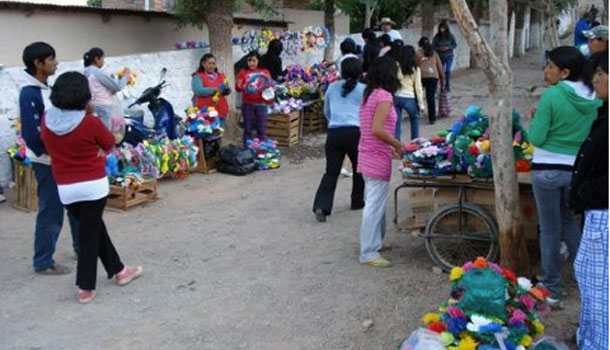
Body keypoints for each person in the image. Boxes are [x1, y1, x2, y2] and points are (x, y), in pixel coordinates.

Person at [41, 71, 143, 304]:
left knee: (93, 227)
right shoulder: (90, 122)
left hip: (66, 187)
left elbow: (47, 144)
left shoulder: (47, 119)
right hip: (92, 186)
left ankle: (119, 270)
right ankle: (86, 285)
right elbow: (109, 142)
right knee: (89, 233)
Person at [528, 46, 602, 308]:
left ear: (565, 71)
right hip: (577, 171)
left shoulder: (553, 96)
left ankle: (552, 289)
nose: (546, 71)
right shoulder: (596, 98)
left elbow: (535, 138)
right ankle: (590, 280)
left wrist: (537, 120)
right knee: (571, 225)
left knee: (549, 230)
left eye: (550, 66)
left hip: (546, 170)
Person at [19, 42, 78, 275]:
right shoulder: (29, 93)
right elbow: (32, 135)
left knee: (75, 206)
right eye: (52, 59)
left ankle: (81, 248)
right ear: (38, 63)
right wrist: (56, 153)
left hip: (61, 160)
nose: (56, 63)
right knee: (51, 211)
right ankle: (43, 261)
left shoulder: (46, 89)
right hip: (47, 162)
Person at [570, 50, 608, 350]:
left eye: (603, 73)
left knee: (602, 291)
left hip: (604, 214)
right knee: (590, 283)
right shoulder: (604, 112)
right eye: (594, 73)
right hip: (596, 212)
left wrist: (587, 192)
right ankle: (590, 339)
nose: (596, 79)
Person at [358, 56, 403, 268]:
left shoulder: (370, 94)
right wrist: (397, 144)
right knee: (374, 204)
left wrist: (391, 147)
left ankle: (375, 242)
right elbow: (377, 129)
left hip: (370, 153)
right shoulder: (384, 96)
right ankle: (368, 252)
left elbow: (371, 128)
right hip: (375, 155)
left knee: (376, 202)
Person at [312, 58, 365, 222]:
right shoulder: (364, 89)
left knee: (331, 172)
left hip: (334, 132)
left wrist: (335, 121)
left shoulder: (332, 87)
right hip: (355, 132)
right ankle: (357, 201)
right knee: (359, 169)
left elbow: (327, 110)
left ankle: (322, 206)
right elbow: (366, 113)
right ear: (359, 71)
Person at [83, 47, 129, 130]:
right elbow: (117, 86)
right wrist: (126, 75)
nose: (103, 62)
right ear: (96, 59)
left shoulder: (86, 71)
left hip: (92, 106)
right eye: (102, 59)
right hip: (103, 107)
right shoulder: (96, 73)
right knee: (106, 133)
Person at [235, 51, 274, 146]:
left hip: (261, 104)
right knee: (247, 128)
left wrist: (266, 86)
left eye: (254, 61)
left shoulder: (265, 72)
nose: (251, 63)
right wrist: (241, 86)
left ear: (258, 61)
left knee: (261, 129)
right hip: (248, 104)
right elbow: (238, 88)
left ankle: (262, 150)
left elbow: (269, 84)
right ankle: (247, 150)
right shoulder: (243, 72)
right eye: (249, 61)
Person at [393, 45, 425, 141]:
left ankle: (396, 145)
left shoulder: (396, 66)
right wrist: (421, 105)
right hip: (409, 97)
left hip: (397, 96)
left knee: (397, 123)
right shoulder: (415, 69)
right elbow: (418, 88)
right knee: (414, 119)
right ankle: (414, 142)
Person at [191, 53, 231, 122]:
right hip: (205, 113)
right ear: (203, 64)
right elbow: (198, 91)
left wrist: (227, 90)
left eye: (213, 63)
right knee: (206, 131)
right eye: (209, 63)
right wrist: (215, 89)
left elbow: (226, 91)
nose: (212, 66)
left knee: (219, 131)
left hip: (220, 110)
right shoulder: (197, 76)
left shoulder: (221, 76)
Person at [417, 37, 445, 125]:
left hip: (421, 76)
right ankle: (432, 118)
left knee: (417, 95)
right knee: (431, 98)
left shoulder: (418, 53)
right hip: (433, 76)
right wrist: (442, 79)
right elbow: (440, 67)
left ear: (420, 44)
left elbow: (414, 65)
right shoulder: (434, 53)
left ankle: (415, 114)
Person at [433, 20, 458, 91]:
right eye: (441, 28)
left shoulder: (450, 36)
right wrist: (439, 49)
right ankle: (441, 85)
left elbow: (454, 44)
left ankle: (447, 85)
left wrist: (448, 48)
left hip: (449, 56)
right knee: (440, 71)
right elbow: (433, 46)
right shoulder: (437, 37)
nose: (442, 30)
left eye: (443, 28)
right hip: (440, 57)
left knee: (448, 70)